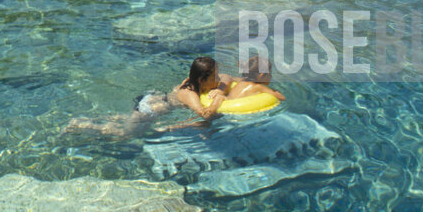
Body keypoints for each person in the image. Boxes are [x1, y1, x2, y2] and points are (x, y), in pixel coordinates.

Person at [64, 56, 284, 137]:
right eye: (213, 76)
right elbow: (204, 114)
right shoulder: (190, 95)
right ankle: (82, 125)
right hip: (149, 110)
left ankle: (90, 121)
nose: (219, 78)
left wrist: (222, 88)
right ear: (201, 80)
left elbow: (228, 77)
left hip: (151, 100)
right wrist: (219, 101)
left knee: (124, 118)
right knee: (123, 134)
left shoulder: (194, 83)